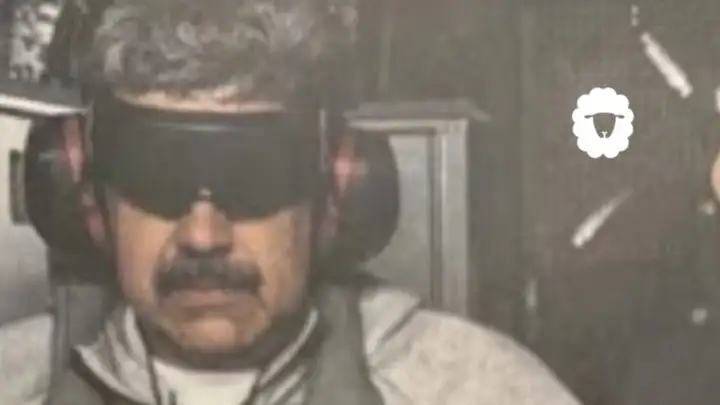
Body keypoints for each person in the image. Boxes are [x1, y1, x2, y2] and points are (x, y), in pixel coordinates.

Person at [1, 0, 581, 404]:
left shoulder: (476, 387)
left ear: (335, 194)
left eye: (253, 176)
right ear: (88, 198)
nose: (203, 235)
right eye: (158, 176)